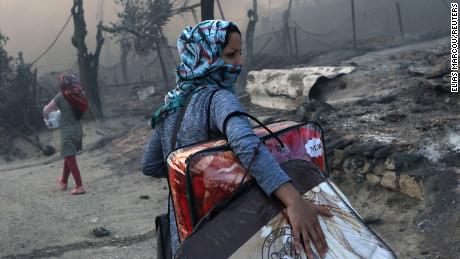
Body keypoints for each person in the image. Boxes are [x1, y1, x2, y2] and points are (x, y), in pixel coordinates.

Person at [142, 20, 332, 259]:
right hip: (227, 229)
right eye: (231, 55)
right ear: (205, 57)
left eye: (240, 53)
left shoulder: (170, 106)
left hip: (184, 230)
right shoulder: (218, 98)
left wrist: (194, 174)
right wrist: (294, 201)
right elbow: (245, 144)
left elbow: (150, 165)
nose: (239, 62)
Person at [43, 73, 88, 195]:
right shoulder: (79, 94)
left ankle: (80, 186)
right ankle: (63, 181)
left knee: (70, 159)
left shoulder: (61, 96)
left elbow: (46, 110)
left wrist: (48, 119)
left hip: (68, 132)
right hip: (78, 130)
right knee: (69, 155)